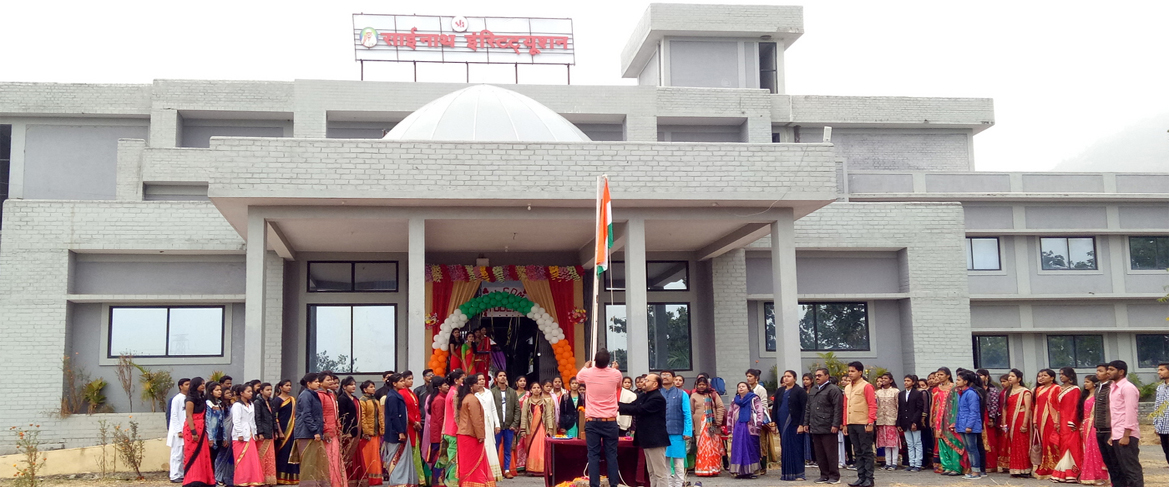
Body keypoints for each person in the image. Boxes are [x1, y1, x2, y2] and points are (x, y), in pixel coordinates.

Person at [576, 349, 624, 487]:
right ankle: (614, 484)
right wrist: (614, 369)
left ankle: (594, 485)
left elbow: (578, 378)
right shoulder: (616, 374)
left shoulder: (587, 372)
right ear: (608, 362)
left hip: (593, 421)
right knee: (612, 455)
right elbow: (619, 385)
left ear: (595, 361)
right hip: (610, 421)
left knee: (593, 455)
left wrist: (586, 366)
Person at [620, 373, 669, 487]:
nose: (643, 382)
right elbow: (631, 406)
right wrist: (614, 405)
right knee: (651, 472)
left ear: (655, 384)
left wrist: (617, 407)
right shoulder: (643, 395)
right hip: (646, 438)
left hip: (656, 439)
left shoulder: (657, 398)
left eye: (647, 380)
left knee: (659, 472)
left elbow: (640, 409)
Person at [801, 368, 842, 484]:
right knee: (820, 453)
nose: (817, 377)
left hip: (828, 426)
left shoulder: (833, 389)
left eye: (820, 375)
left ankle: (834, 476)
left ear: (827, 376)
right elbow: (808, 407)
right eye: (816, 376)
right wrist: (806, 422)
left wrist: (835, 424)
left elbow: (838, 408)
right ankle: (824, 474)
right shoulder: (814, 389)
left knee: (830, 453)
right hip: (815, 425)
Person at [1107, 360, 1143, 487]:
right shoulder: (1113, 387)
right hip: (1117, 434)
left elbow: (1130, 412)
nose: (1108, 372)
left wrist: (1126, 435)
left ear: (1121, 372)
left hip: (1127, 435)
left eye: (1111, 369)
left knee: (1131, 469)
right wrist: (1113, 435)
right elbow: (1116, 414)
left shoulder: (1128, 388)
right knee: (1121, 469)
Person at [840, 362, 876, 487]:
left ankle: (869, 478)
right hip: (851, 422)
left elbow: (872, 405)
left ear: (860, 372)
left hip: (863, 422)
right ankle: (861, 477)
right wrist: (845, 423)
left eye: (853, 371)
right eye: (849, 371)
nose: (850, 373)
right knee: (857, 451)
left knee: (866, 451)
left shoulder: (866, 386)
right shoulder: (847, 388)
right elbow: (845, 407)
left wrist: (870, 422)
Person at [457, 373, 495, 487]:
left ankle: (467, 483)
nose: (479, 385)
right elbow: (476, 419)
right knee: (473, 462)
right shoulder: (472, 399)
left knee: (467, 462)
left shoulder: (465, 398)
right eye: (476, 383)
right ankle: (475, 483)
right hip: (470, 435)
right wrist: (480, 435)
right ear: (471, 386)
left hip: (464, 434)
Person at [727, 381, 769, 479]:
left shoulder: (754, 398)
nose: (741, 388)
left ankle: (751, 471)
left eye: (743, 386)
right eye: (739, 387)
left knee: (750, 447)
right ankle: (739, 471)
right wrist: (729, 427)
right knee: (738, 448)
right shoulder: (735, 400)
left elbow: (760, 410)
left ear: (748, 388)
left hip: (751, 427)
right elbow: (730, 414)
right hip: (738, 426)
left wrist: (759, 423)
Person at [292, 373, 327, 487]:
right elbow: (306, 415)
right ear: (308, 383)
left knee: (316, 461)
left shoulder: (313, 394)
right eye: (316, 382)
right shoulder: (305, 395)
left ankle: (316, 484)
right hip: (306, 433)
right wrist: (315, 431)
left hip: (312, 432)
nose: (318, 384)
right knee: (308, 462)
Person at [659, 370, 693, 486]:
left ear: (673, 378)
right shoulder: (658, 393)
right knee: (664, 462)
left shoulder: (682, 394)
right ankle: (667, 484)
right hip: (661, 433)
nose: (665, 377)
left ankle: (679, 483)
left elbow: (687, 414)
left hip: (677, 432)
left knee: (678, 462)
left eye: (668, 375)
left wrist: (687, 431)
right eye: (663, 375)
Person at [382, 373, 417, 487]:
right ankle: (397, 482)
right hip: (395, 433)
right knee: (396, 459)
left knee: (403, 458)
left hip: (401, 431)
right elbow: (394, 416)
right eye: (401, 381)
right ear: (394, 383)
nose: (403, 383)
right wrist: (400, 431)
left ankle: (404, 481)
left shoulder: (396, 395)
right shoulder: (392, 397)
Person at [1050, 367, 1083, 482]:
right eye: (1060, 374)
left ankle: (1073, 473)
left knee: (1071, 444)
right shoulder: (1060, 389)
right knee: (1063, 444)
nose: (1061, 376)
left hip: (1071, 421)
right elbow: (1058, 408)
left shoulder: (1075, 389)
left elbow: (1076, 406)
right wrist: (1058, 422)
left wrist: (1073, 421)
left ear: (1070, 376)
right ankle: (1063, 472)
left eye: (1063, 374)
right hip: (1062, 420)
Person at [772, 370, 806, 481]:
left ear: (794, 378)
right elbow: (775, 406)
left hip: (794, 423)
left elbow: (804, 409)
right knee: (785, 447)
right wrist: (773, 422)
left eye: (789, 376)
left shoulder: (800, 391)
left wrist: (801, 424)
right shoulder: (780, 391)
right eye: (785, 376)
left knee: (796, 448)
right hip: (782, 423)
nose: (786, 378)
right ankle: (786, 473)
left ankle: (799, 474)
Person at [999, 369, 1033, 478]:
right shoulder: (1008, 392)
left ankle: (1024, 469)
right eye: (1009, 376)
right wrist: (1004, 423)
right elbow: (1005, 408)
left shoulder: (1025, 392)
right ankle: (1015, 469)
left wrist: (1024, 424)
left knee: (1021, 444)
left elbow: (1028, 408)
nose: (1010, 378)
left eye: (1012, 376)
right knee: (1013, 445)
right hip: (1010, 420)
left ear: (1019, 379)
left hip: (1020, 419)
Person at [690, 376, 726, 478]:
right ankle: (703, 469)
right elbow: (691, 412)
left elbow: (720, 407)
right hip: (699, 426)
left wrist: (718, 421)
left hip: (712, 426)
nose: (701, 386)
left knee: (713, 448)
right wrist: (692, 427)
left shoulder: (713, 394)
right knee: (702, 448)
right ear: (696, 385)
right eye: (699, 385)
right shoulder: (693, 396)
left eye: (703, 385)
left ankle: (714, 469)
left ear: (707, 385)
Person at [183, 378, 216, 487]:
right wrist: (193, 432)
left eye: (203, 384)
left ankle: (203, 478)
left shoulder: (201, 398)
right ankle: (193, 479)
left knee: (203, 453)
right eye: (200, 384)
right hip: (193, 427)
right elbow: (189, 416)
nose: (203, 386)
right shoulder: (190, 399)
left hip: (202, 427)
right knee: (193, 453)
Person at [930, 368, 963, 476]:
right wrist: (933, 419)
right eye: (938, 375)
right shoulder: (938, 388)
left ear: (948, 376)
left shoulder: (954, 387)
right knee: (942, 443)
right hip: (939, 419)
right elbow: (936, 404)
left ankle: (956, 467)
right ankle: (947, 466)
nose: (939, 377)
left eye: (941, 374)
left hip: (950, 418)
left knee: (953, 442)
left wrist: (954, 420)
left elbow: (956, 404)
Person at [231, 384, 264, 487]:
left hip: (250, 433)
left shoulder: (251, 404)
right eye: (248, 391)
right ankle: (242, 480)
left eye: (251, 391)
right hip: (241, 434)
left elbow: (252, 420)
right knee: (242, 459)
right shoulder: (237, 405)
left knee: (251, 459)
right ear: (241, 393)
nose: (251, 393)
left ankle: (252, 479)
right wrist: (239, 433)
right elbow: (236, 420)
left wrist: (255, 432)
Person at [520, 380, 555, 476]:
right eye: (534, 388)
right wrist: (523, 429)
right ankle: (531, 468)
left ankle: (542, 468)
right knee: (531, 448)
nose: (536, 389)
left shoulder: (545, 401)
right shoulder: (527, 401)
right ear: (531, 390)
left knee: (541, 447)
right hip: (530, 429)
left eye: (538, 388)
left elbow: (549, 415)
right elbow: (524, 416)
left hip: (542, 428)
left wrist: (550, 428)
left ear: (541, 389)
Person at [487, 370, 518, 479]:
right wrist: (493, 424)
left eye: (504, 375)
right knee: (494, 449)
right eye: (500, 376)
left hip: (509, 426)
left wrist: (514, 424)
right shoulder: (492, 392)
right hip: (497, 427)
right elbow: (489, 409)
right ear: (496, 378)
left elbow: (517, 409)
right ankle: (494, 471)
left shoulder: (512, 392)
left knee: (507, 449)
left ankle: (507, 470)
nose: (503, 377)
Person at [398, 371, 427, 486]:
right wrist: (414, 421)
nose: (411, 381)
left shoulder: (412, 393)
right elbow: (405, 411)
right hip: (409, 426)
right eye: (408, 379)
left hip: (415, 426)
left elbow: (417, 409)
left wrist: (418, 421)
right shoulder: (402, 393)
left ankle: (419, 479)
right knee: (411, 451)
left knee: (416, 452)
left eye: (412, 379)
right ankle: (413, 478)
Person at [1079, 375, 1108, 486]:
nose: (1085, 384)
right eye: (1085, 382)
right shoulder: (1086, 395)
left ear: (1094, 383)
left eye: (1087, 382)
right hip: (1086, 424)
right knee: (1087, 450)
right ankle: (1089, 476)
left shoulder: (1097, 395)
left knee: (1095, 450)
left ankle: (1100, 476)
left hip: (1094, 424)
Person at [473, 373, 503, 481]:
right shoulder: (473, 394)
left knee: (490, 446)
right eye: (479, 379)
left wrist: (497, 424)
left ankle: (491, 472)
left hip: (489, 424)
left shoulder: (489, 392)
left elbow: (493, 409)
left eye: (483, 379)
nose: (481, 381)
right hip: (479, 425)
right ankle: (481, 472)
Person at [954, 370, 983, 480]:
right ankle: (973, 470)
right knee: (968, 448)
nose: (956, 382)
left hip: (969, 425)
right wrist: (957, 424)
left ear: (965, 381)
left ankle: (976, 471)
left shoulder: (971, 394)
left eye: (959, 380)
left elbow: (974, 411)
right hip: (962, 424)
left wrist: (969, 426)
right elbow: (959, 411)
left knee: (972, 448)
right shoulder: (960, 393)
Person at [320, 373, 348, 487]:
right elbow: (320, 414)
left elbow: (335, 414)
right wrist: (325, 429)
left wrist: (338, 426)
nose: (331, 382)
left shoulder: (331, 394)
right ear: (320, 382)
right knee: (329, 458)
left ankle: (337, 481)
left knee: (336, 457)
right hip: (327, 432)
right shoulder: (320, 395)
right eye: (328, 380)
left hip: (334, 430)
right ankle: (330, 482)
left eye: (332, 379)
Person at [1033, 368, 1061, 479]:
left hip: (1051, 419)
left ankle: (1054, 467)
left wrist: (1057, 421)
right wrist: (1035, 420)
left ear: (1052, 377)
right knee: (1043, 442)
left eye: (1045, 375)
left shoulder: (1056, 388)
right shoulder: (1039, 389)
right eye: (1040, 376)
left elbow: (1059, 406)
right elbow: (1037, 405)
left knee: (1051, 442)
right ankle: (1044, 466)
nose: (1042, 378)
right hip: (1041, 419)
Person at [441, 370, 466, 487]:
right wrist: (461, 428)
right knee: (454, 459)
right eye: (462, 379)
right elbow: (456, 415)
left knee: (451, 457)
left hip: (448, 429)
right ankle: (452, 483)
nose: (464, 381)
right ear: (456, 380)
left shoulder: (450, 392)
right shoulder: (455, 394)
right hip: (454, 430)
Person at [273, 379, 300, 485]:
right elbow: (275, 417)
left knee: (291, 452)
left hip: (293, 429)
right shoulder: (277, 400)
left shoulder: (292, 399)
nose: (289, 387)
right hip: (283, 429)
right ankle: (280, 477)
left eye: (290, 385)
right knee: (283, 453)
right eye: (286, 385)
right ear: (281, 387)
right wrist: (279, 431)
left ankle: (292, 477)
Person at [897, 374, 926, 472]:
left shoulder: (917, 393)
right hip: (905, 422)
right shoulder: (901, 394)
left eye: (908, 381)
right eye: (905, 380)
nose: (906, 382)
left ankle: (918, 463)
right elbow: (900, 409)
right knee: (909, 443)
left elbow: (919, 409)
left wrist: (914, 422)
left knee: (917, 443)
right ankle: (911, 463)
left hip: (914, 421)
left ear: (913, 382)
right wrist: (899, 423)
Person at [359, 380, 385, 487]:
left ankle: (375, 479)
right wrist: (365, 431)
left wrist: (382, 429)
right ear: (365, 389)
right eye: (370, 387)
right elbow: (362, 417)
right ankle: (367, 478)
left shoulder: (376, 401)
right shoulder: (362, 401)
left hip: (376, 432)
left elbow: (380, 416)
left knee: (375, 456)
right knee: (367, 456)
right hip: (368, 434)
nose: (373, 388)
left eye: (373, 386)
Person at [337, 377, 362, 487]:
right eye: (351, 384)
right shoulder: (342, 399)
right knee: (348, 456)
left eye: (354, 384)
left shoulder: (355, 398)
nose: (353, 386)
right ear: (344, 386)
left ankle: (357, 479)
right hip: (348, 432)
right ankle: (347, 479)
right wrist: (346, 431)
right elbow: (342, 416)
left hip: (356, 431)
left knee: (357, 456)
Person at [873, 372, 899, 471]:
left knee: (893, 443)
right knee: (885, 443)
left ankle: (894, 462)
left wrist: (898, 420)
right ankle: (888, 463)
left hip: (892, 420)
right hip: (881, 420)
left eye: (885, 378)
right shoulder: (878, 392)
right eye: (882, 378)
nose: (883, 380)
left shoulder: (895, 391)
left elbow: (898, 406)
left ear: (891, 380)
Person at [977, 369, 1001, 474]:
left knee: (990, 441)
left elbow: (995, 405)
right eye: (977, 375)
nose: (979, 377)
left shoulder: (992, 389)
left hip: (987, 415)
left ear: (986, 377)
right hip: (978, 415)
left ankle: (991, 465)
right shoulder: (976, 388)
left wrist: (991, 418)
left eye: (981, 375)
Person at [255, 382, 279, 486]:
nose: (270, 392)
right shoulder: (257, 402)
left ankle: (269, 479)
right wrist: (260, 432)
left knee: (270, 457)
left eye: (270, 390)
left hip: (270, 432)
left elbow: (273, 417)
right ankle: (261, 479)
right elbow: (257, 418)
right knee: (262, 456)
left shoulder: (271, 401)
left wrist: (276, 430)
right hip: (263, 432)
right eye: (267, 390)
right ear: (261, 391)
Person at [168, 378, 191, 483]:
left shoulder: (189, 398)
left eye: (190, 384)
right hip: (178, 431)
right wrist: (178, 430)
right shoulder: (177, 399)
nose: (188, 386)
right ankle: (174, 475)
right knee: (176, 454)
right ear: (181, 386)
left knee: (184, 454)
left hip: (187, 430)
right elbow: (174, 415)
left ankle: (181, 474)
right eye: (186, 384)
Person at [426, 376, 447, 481]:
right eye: (445, 385)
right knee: (439, 459)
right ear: (439, 387)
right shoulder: (440, 400)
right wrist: (445, 432)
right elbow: (440, 419)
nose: (447, 387)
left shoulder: (439, 398)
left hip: (437, 434)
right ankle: (437, 481)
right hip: (438, 434)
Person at [512, 376, 530, 473]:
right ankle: (513, 465)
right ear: (516, 383)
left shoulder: (528, 394)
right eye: (520, 381)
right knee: (513, 443)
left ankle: (522, 465)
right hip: (514, 420)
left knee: (523, 443)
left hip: (525, 421)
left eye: (524, 381)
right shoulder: (512, 393)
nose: (522, 382)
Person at [1155, 362, 1169, 468]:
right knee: (1167, 453)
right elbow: (1157, 407)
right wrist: (1156, 425)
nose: (1159, 372)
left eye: (1162, 369)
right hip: (1163, 428)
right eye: (1158, 370)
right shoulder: (1160, 388)